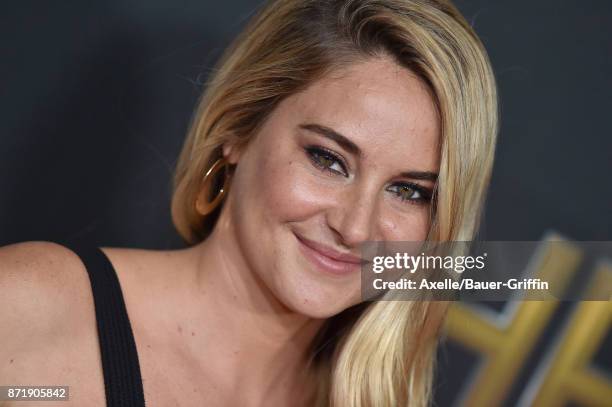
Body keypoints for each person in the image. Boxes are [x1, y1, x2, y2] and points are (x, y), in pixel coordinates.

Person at [0, 0, 498, 405]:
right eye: (327, 159)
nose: (355, 225)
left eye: (409, 192)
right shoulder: (32, 309)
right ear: (238, 131)